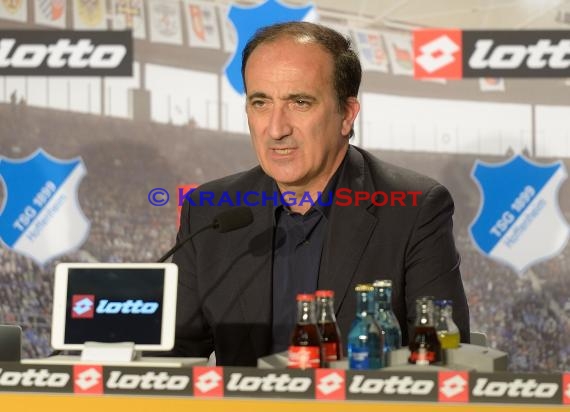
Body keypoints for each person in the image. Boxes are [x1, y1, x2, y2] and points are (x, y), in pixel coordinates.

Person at [172, 21, 469, 366]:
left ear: (346, 114)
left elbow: (443, 359)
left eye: (300, 102)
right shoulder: (209, 211)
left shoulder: (414, 209)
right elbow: (173, 354)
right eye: (260, 102)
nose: (276, 128)